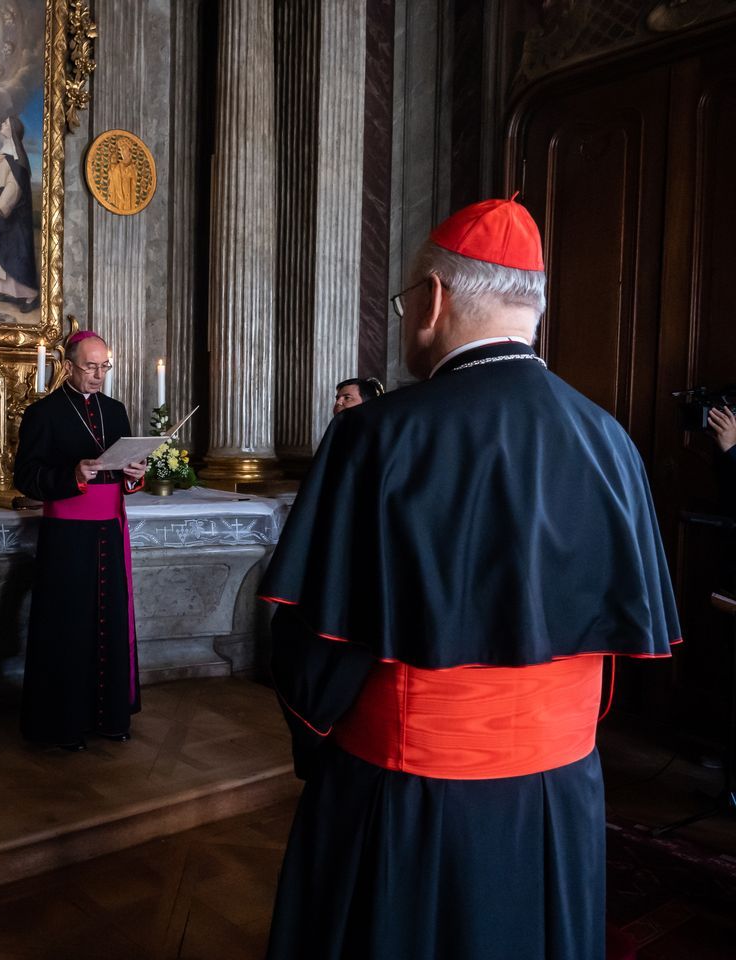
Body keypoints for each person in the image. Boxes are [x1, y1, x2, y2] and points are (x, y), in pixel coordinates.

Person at [259, 198, 680, 960]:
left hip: (410, 803)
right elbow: (616, 639)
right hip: (560, 794)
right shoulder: (611, 441)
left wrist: (316, 737)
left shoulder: (375, 436)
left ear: (436, 298)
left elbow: (314, 652)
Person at [14, 331, 147, 751]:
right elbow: (26, 477)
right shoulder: (43, 413)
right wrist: (72, 476)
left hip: (110, 530)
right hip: (67, 535)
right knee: (67, 627)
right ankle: (61, 725)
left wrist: (135, 475)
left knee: (109, 621)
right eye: (90, 366)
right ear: (68, 366)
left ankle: (109, 717)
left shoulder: (116, 410)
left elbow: (128, 470)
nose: (98, 374)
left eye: (104, 366)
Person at [0, 116, 39, 311]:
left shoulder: (17, 159)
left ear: (13, 130)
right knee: (2, 251)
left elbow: (13, 187)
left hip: (14, 216)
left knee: (16, 253)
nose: (2, 124)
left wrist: (0, 205)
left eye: (5, 122)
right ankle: (10, 292)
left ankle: (29, 296)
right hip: (1, 211)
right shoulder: (4, 154)